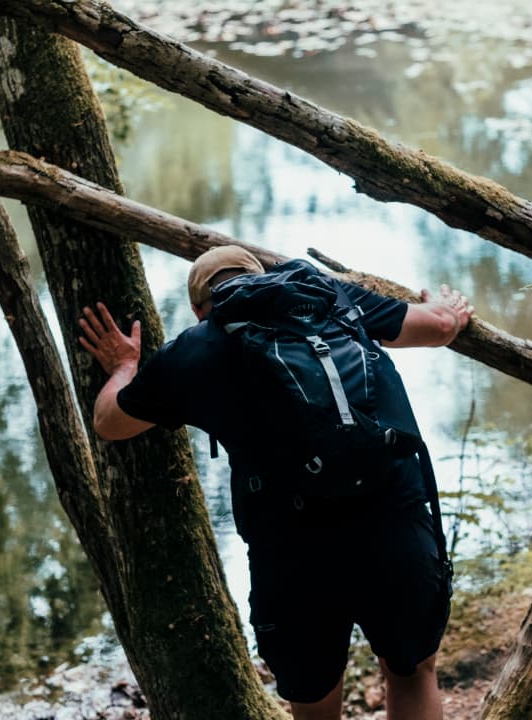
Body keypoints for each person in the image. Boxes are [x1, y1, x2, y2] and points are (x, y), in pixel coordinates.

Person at [77, 245, 474, 720]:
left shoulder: (196, 347)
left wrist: (124, 368)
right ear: (265, 276)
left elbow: (109, 422)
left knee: (313, 697)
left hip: (292, 546)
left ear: (200, 308)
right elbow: (440, 328)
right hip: (391, 516)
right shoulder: (330, 297)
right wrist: (445, 307)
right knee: (412, 671)